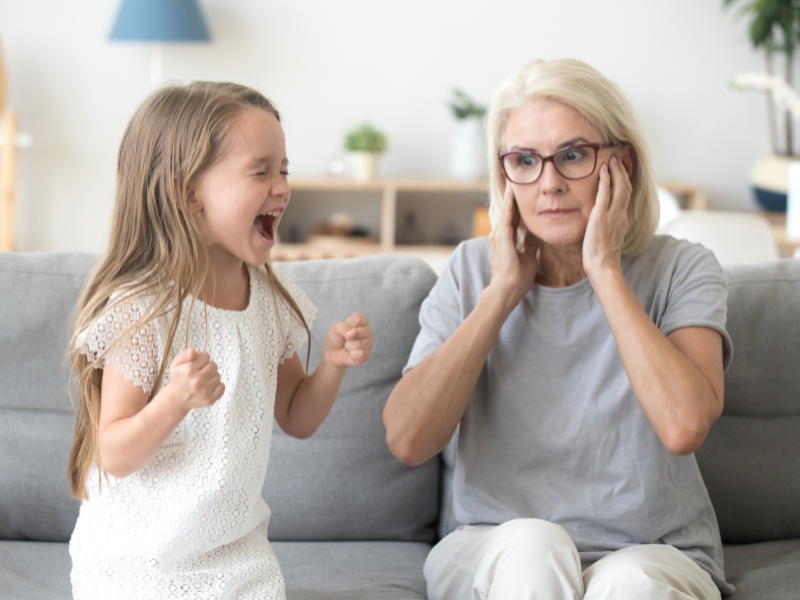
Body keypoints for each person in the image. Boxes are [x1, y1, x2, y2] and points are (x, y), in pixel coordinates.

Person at [383, 59, 733, 599]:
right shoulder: (472, 271)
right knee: (534, 546)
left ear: (623, 164)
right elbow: (408, 440)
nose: (548, 184)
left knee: (630, 583)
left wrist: (606, 272)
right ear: (506, 175)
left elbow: (684, 426)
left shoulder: (683, 269)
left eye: (572, 155)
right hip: (493, 545)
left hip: (656, 552)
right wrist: (501, 292)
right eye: (524, 160)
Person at [66, 82, 373, 600]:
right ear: (189, 192)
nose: (281, 187)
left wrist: (333, 366)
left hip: (236, 558)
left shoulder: (272, 300)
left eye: (284, 170)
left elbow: (296, 416)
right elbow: (113, 453)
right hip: (137, 561)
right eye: (261, 171)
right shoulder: (144, 310)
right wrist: (174, 401)